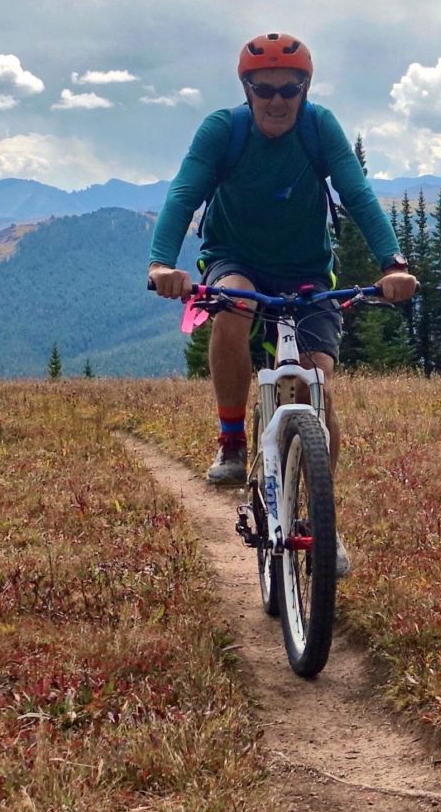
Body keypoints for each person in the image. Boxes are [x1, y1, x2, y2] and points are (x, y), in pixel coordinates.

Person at [146, 33, 417, 572]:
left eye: (289, 88)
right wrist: (161, 263)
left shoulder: (319, 128)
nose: (277, 99)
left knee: (316, 382)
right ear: (246, 89)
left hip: (307, 271)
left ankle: (322, 525)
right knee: (235, 305)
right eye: (263, 88)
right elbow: (183, 193)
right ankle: (231, 441)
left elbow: (358, 192)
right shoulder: (224, 131)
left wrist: (394, 264)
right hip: (234, 257)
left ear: (305, 88)